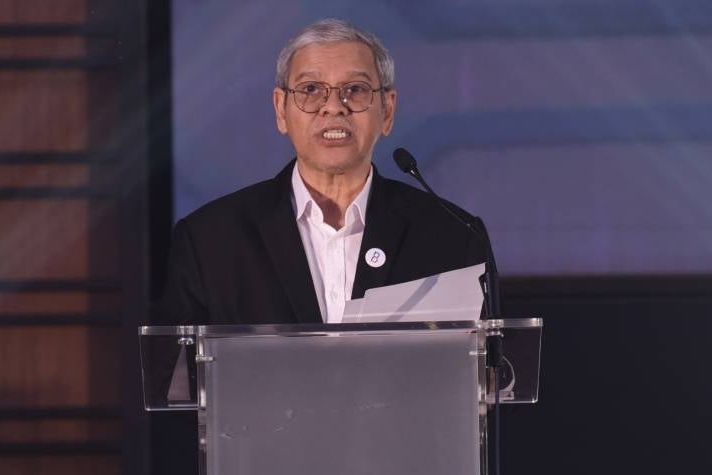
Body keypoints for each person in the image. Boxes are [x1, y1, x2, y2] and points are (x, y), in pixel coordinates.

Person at [155, 18, 490, 325]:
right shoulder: (210, 240)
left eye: (355, 90)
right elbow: (179, 383)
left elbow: (489, 378)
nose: (333, 106)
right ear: (281, 110)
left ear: (387, 111)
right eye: (311, 89)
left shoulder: (454, 236)